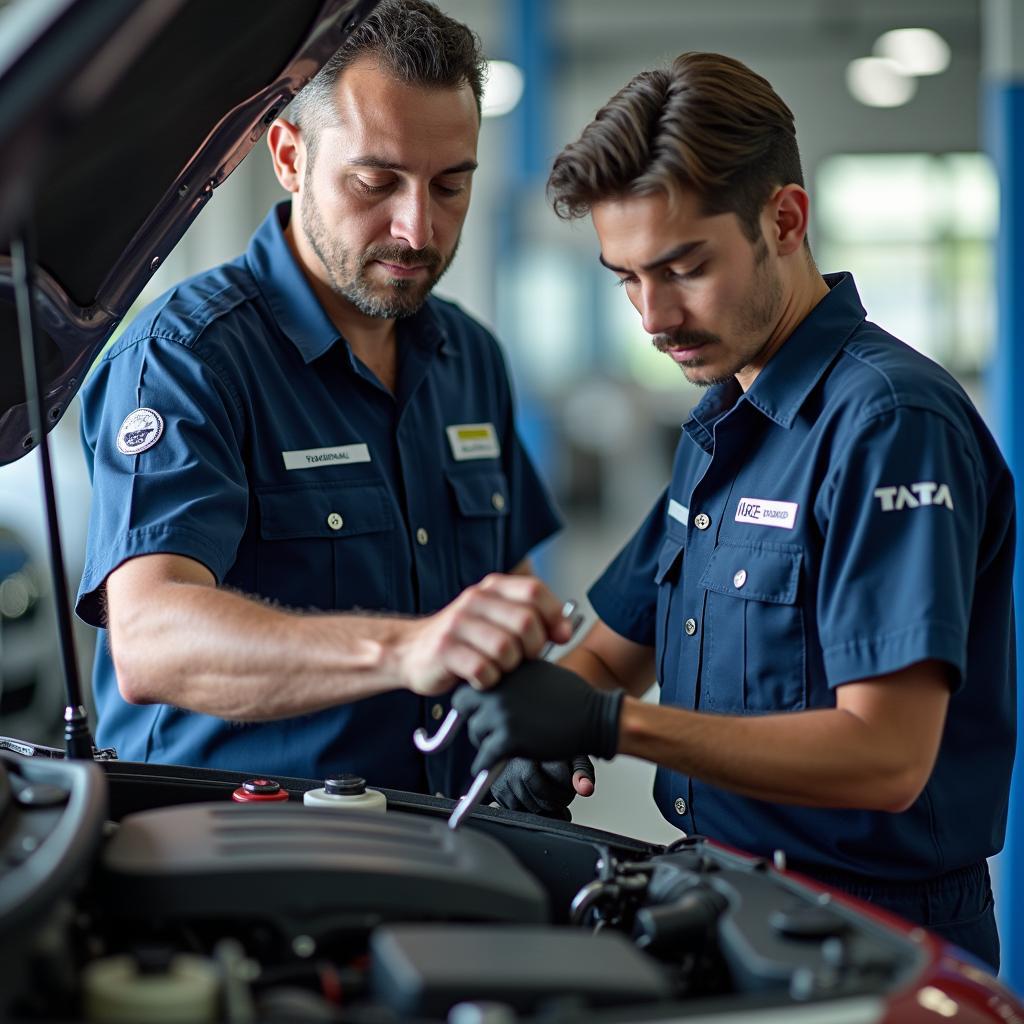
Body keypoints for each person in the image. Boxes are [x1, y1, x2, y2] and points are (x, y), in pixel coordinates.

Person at [451, 52, 1015, 969]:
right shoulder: (722, 424)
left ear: (784, 220)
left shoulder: (890, 425)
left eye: (682, 267)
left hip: (873, 934)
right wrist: (546, 723)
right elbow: (614, 646)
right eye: (626, 277)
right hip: (727, 895)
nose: (652, 316)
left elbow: (888, 757)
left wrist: (608, 726)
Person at [74, 0, 586, 809]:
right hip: (225, 855)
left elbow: (506, 587)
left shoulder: (468, 356)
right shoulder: (187, 357)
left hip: (445, 837)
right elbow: (150, 642)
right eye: (376, 181)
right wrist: (403, 649)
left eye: (451, 185)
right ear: (288, 153)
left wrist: (528, 707)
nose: (417, 228)